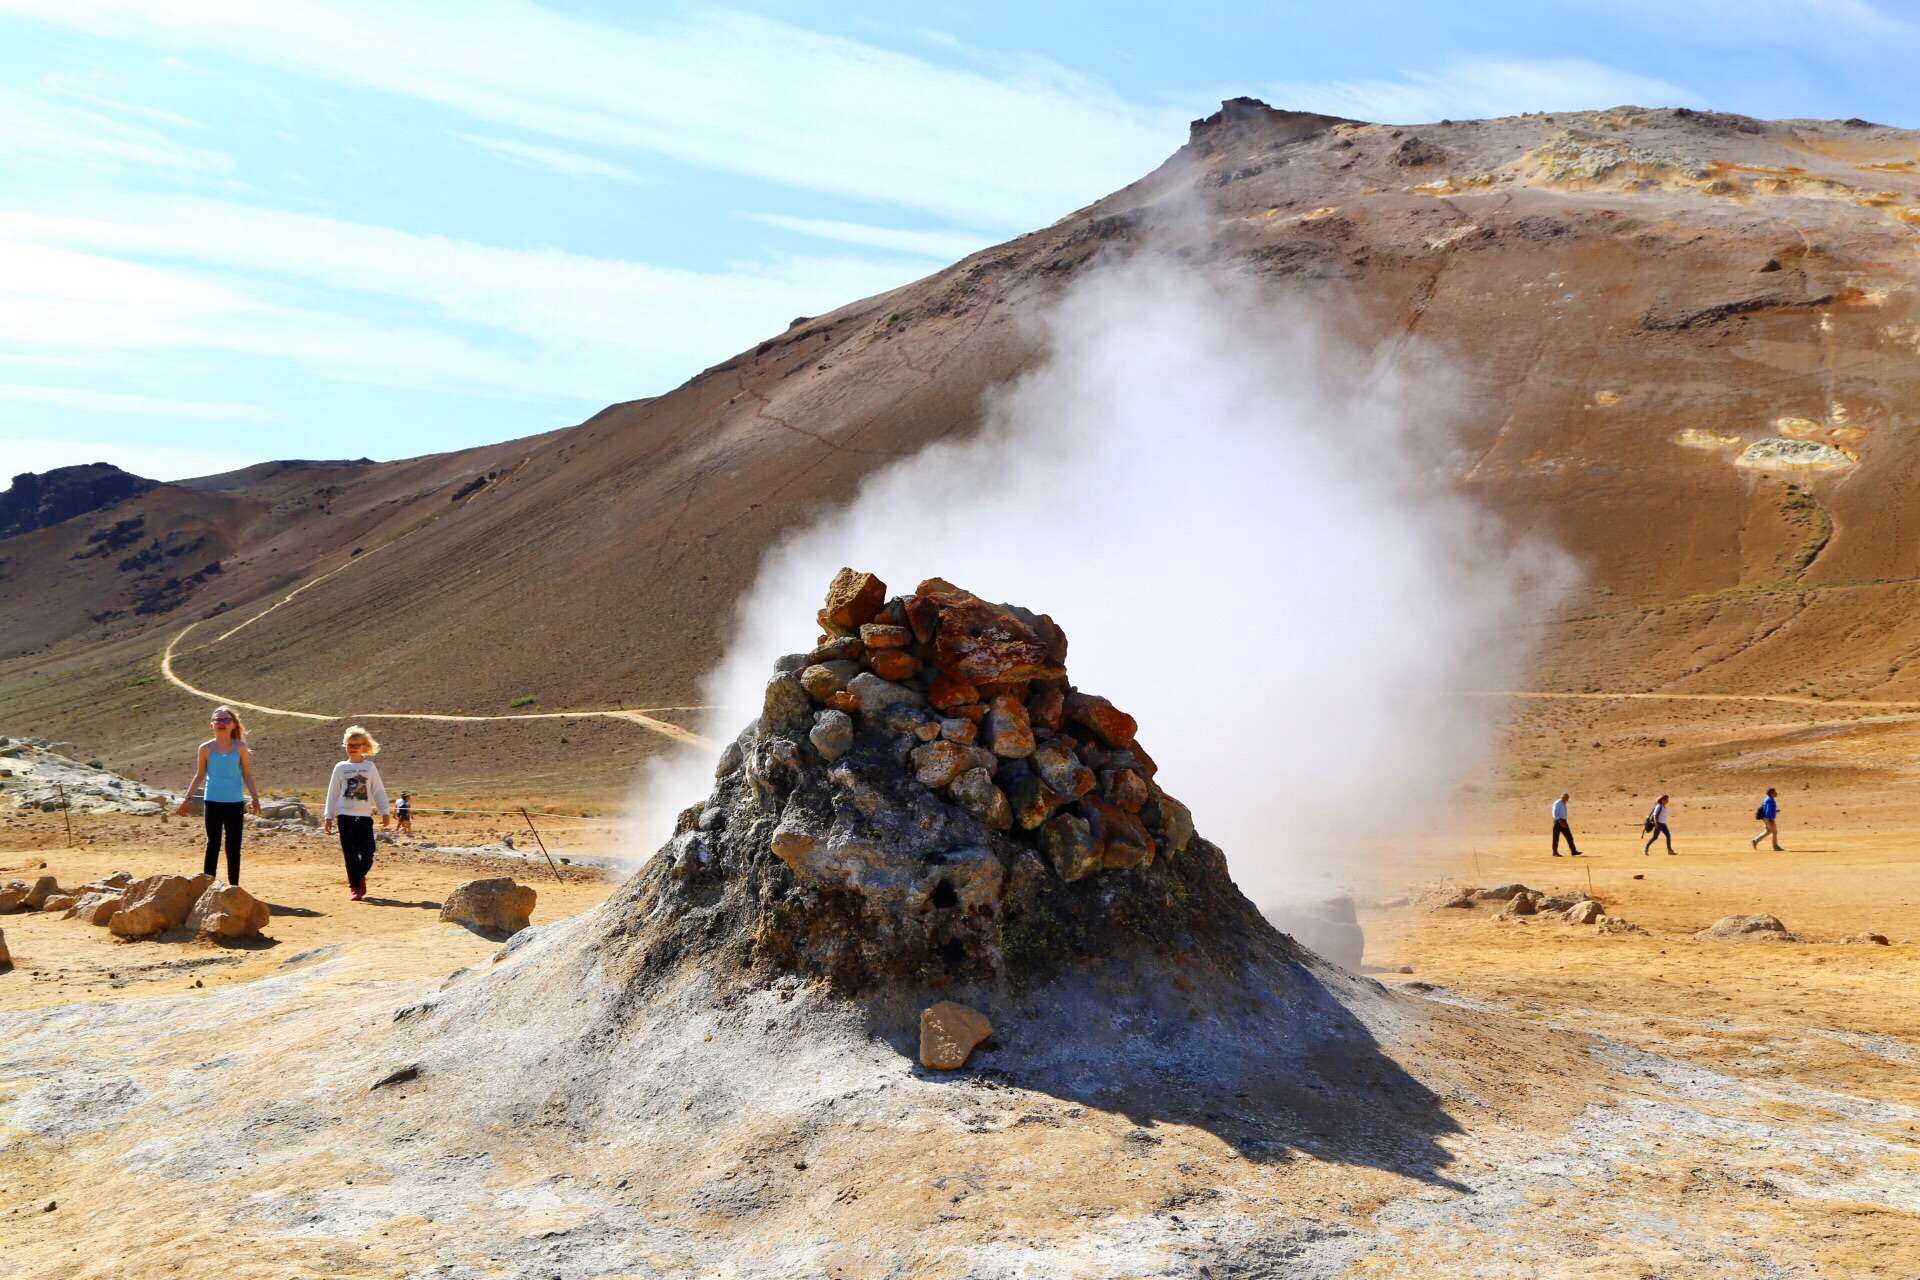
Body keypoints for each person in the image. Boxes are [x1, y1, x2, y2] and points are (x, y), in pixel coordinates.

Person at [174, 706, 261, 884]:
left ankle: (233, 886)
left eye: (226, 720)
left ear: (233, 725)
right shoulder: (205, 748)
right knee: (213, 843)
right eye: (218, 720)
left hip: (235, 801)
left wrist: (255, 798)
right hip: (212, 800)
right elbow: (199, 774)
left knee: (233, 846)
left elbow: (247, 774)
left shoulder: (240, 748)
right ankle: (208, 885)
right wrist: (187, 798)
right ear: (211, 724)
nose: (222, 723)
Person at [322, 725, 390, 900]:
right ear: (345, 745)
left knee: (368, 853)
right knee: (350, 854)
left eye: (356, 745)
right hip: (345, 817)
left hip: (365, 817)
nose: (352, 748)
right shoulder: (340, 768)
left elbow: (378, 790)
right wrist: (328, 815)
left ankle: (358, 876)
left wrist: (385, 811)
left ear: (363, 746)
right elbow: (333, 792)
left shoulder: (369, 767)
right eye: (349, 745)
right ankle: (355, 887)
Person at [1551, 792, 1582, 857]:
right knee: (1556, 837)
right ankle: (1555, 852)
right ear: (1563, 797)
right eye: (1567, 798)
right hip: (1558, 822)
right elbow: (1555, 815)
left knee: (1569, 836)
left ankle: (1573, 851)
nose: (1567, 800)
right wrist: (1561, 823)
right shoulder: (1558, 803)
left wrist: (1564, 822)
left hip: (1564, 821)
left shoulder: (1563, 803)